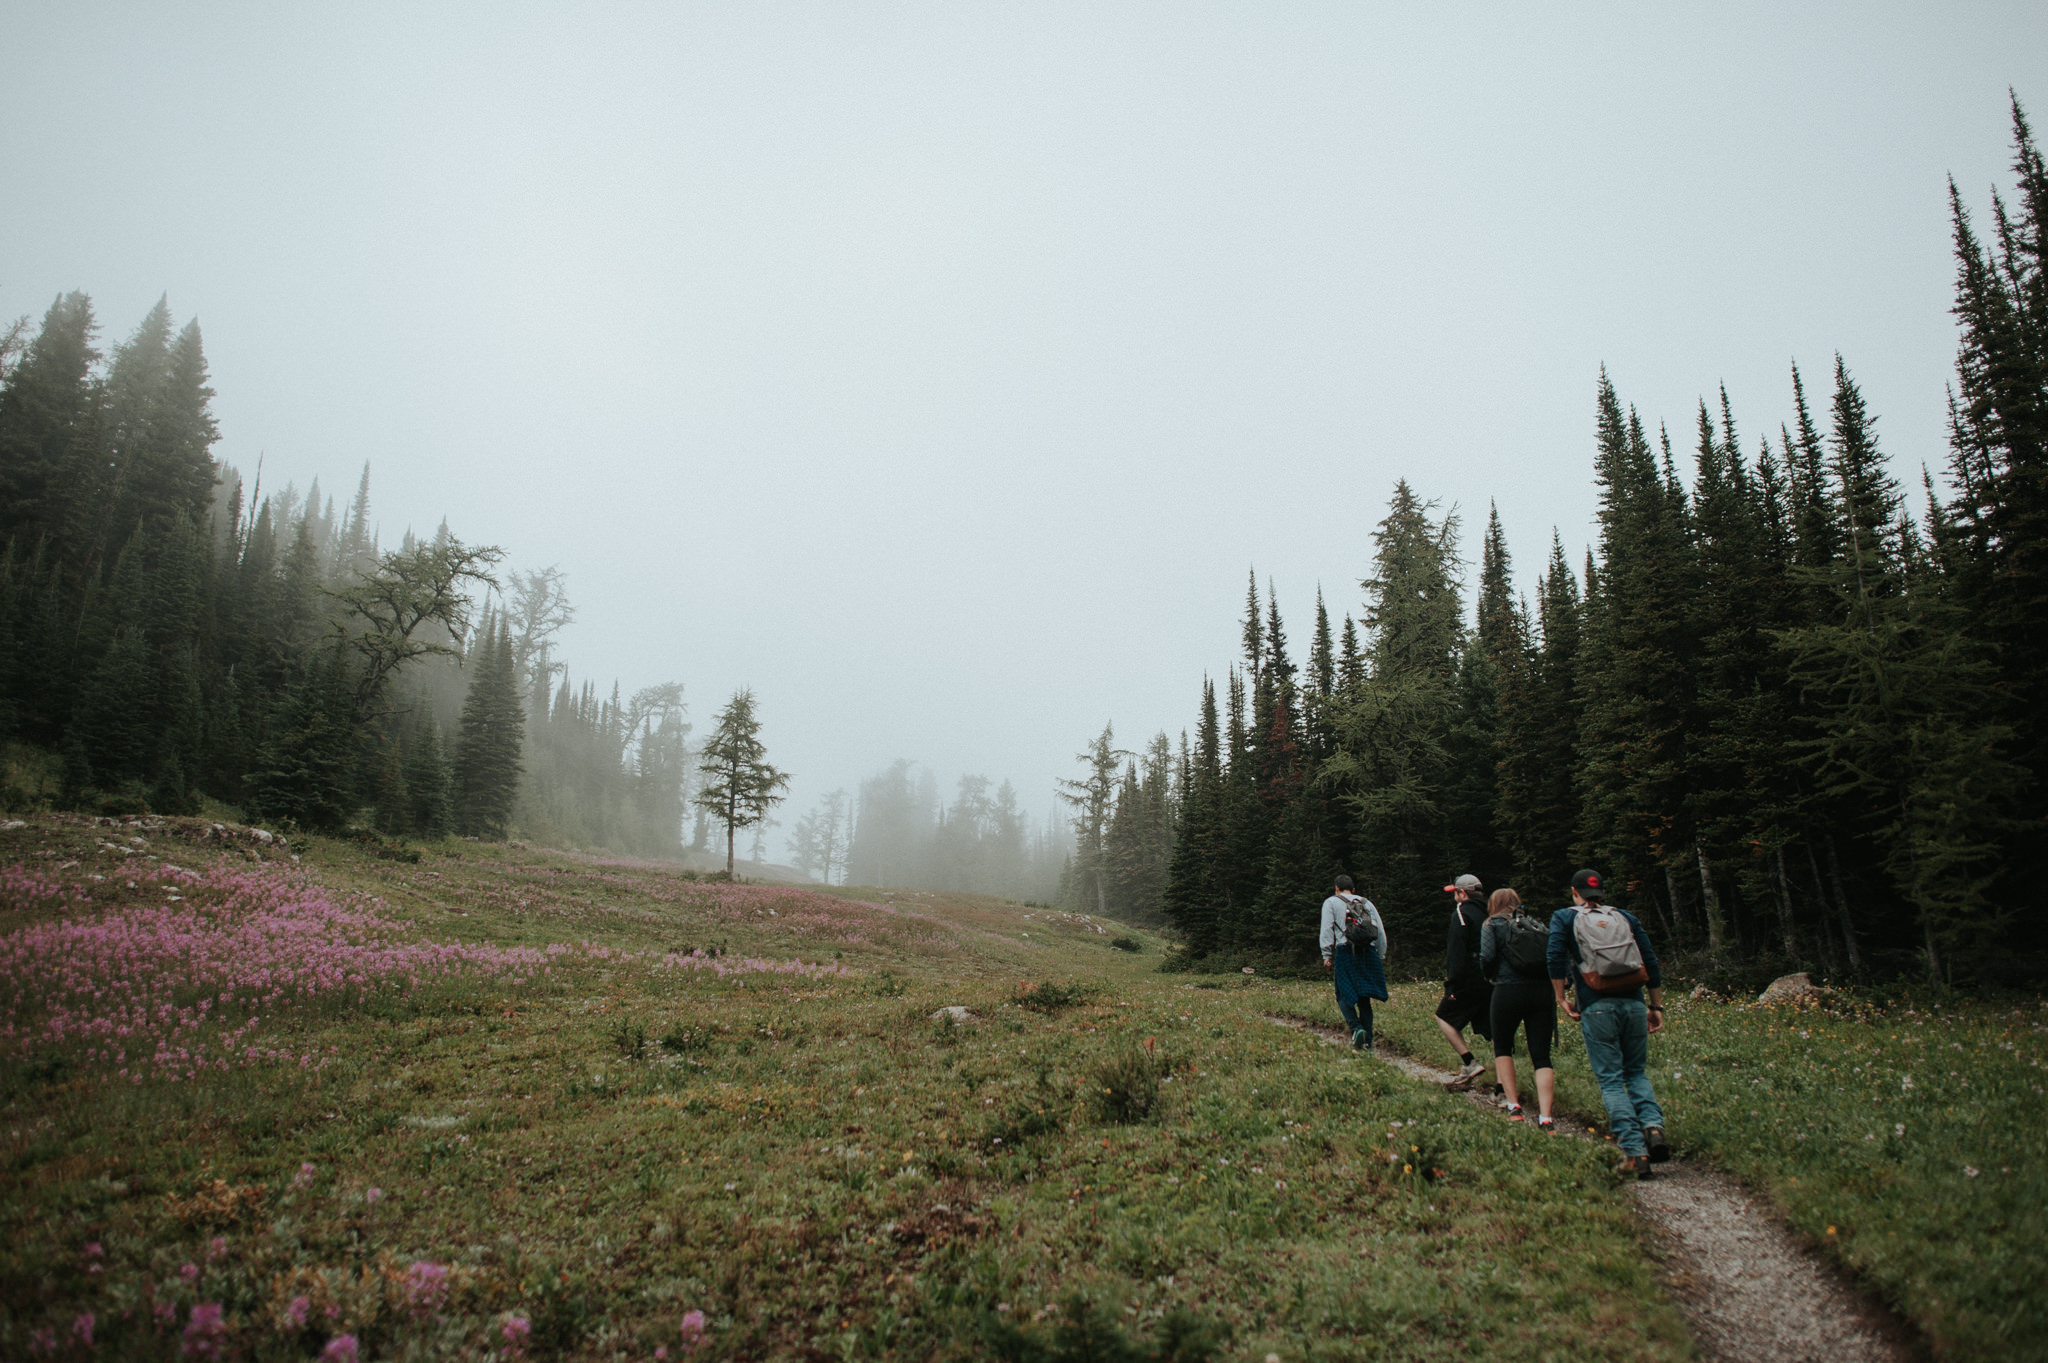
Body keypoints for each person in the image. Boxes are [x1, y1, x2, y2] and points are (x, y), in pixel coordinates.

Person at [1548, 868, 1670, 1177]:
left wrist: (1562, 998)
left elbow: (1554, 959)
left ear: (1574, 892)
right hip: (1633, 1003)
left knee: (1612, 1079)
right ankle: (1653, 1127)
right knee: (1636, 1072)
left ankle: (1633, 1151)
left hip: (1596, 1005)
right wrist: (1655, 1005)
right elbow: (1650, 962)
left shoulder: (1565, 917)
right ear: (1601, 892)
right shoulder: (1623, 916)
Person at [1480, 887, 1556, 1129]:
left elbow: (1488, 956)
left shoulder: (1491, 924)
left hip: (1508, 989)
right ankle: (1546, 1117)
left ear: (1493, 904)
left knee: (1503, 1047)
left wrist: (1489, 976)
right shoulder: (1537, 924)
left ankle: (1514, 1106)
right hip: (1542, 992)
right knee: (1542, 1056)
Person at [1434, 873, 1492, 1082]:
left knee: (1443, 1016)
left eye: (1455, 892)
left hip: (1470, 978)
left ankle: (1469, 1062)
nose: (1454, 896)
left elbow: (1456, 951)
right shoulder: (1492, 910)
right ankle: (1503, 1086)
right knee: (1495, 1030)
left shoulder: (1461, 913)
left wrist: (1452, 985)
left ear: (1463, 893)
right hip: (1494, 978)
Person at [1320, 875, 1388, 1049]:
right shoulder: (1367, 903)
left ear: (1336, 888)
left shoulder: (1331, 902)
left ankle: (1356, 1029)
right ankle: (1368, 1044)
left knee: (1342, 994)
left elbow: (1327, 928)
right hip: (1368, 952)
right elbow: (1379, 930)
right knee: (1364, 998)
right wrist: (1380, 954)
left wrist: (1326, 954)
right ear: (1354, 890)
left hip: (1345, 951)